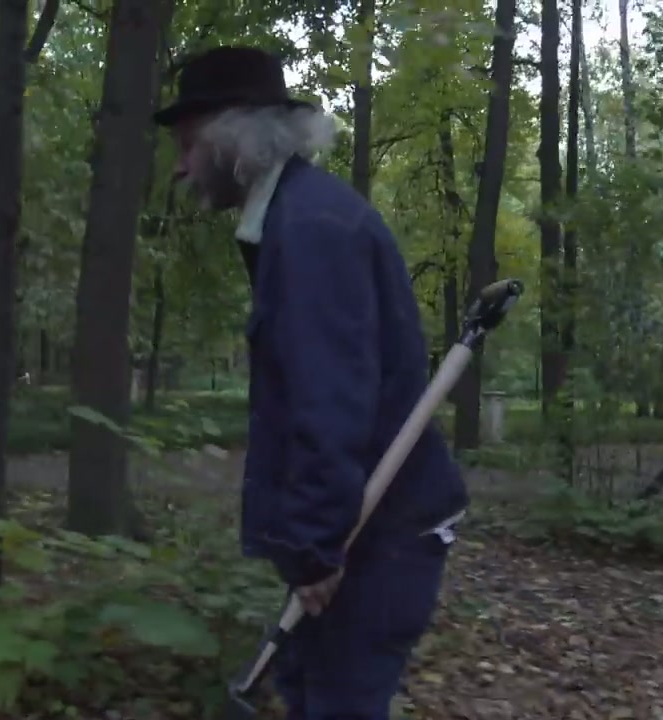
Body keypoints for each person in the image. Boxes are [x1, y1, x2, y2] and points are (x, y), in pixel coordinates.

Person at [154, 46, 468, 720]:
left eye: (187, 146)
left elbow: (330, 404)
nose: (179, 169)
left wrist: (314, 549)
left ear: (233, 139)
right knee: (308, 693)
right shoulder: (293, 218)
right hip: (359, 532)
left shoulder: (311, 229)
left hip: (375, 537)